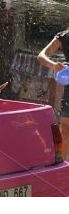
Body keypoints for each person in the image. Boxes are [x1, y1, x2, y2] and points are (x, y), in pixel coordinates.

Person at [38, 27, 69, 159]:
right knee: (66, 129)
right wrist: (53, 65)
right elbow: (41, 56)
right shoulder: (64, 37)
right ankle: (61, 168)